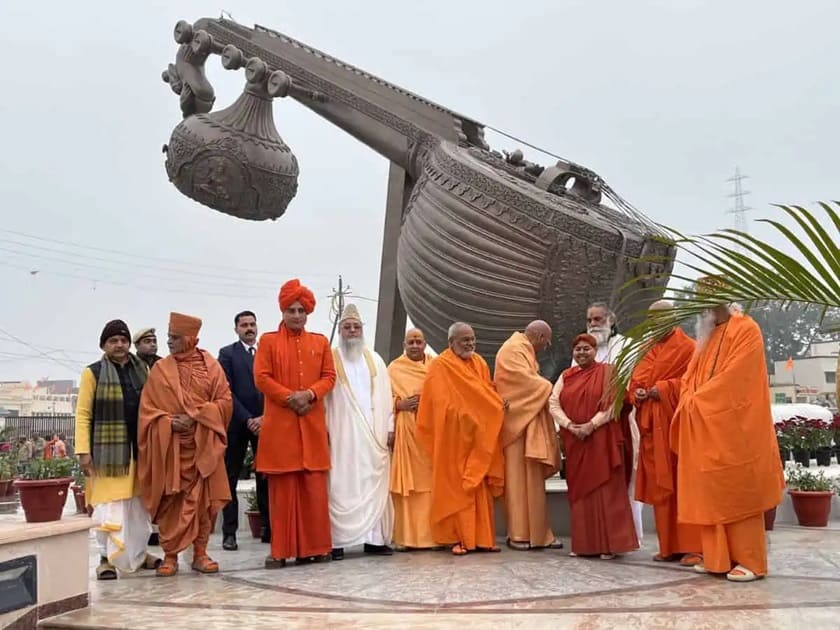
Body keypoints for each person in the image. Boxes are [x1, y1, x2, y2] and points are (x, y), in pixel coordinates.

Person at [673, 276, 784, 582]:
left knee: (739, 491)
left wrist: (698, 401)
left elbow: (738, 379)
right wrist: (688, 400)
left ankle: (751, 560)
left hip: (736, 430)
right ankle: (717, 558)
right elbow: (689, 377)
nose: (700, 307)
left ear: (721, 298)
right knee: (711, 492)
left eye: (703, 299)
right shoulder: (707, 335)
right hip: (704, 428)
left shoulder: (745, 329)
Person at [138, 312, 232, 577]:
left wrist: (198, 417)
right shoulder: (160, 370)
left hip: (203, 446)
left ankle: (200, 553)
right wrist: (167, 422)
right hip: (172, 449)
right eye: (169, 337)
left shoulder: (211, 366)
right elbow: (147, 411)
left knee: (202, 504)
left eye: (175, 338)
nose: (169, 342)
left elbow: (225, 402)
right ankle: (170, 555)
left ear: (192, 339)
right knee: (171, 502)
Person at [254, 279, 336, 568]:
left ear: (308, 312)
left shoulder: (320, 342)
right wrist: (291, 398)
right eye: (292, 310)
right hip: (281, 429)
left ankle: (317, 548)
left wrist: (311, 394)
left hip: (311, 426)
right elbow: (262, 378)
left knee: (313, 490)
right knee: (283, 493)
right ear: (283, 311)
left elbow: (329, 376)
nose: (297, 315)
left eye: (301, 310)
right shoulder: (267, 341)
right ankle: (280, 551)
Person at [75, 319, 159, 580]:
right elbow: (83, 413)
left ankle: (140, 554)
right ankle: (105, 560)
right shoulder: (93, 373)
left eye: (123, 340)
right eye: (113, 341)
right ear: (104, 345)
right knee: (109, 509)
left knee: (138, 508)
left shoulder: (142, 368)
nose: (120, 345)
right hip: (108, 455)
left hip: (141, 450)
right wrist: (83, 451)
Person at [417, 322, 505, 556]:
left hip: (478, 437)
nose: (470, 344)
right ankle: (458, 538)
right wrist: (470, 413)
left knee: (480, 488)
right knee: (457, 489)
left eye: (472, 339)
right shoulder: (440, 366)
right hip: (453, 439)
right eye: (464, 340)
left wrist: (493, 405)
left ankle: (483, 539)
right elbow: (437, 405)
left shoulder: (480, 363)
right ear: (451, 343)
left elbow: (486, 393)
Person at [550, 333, 638, 559]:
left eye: (586, 349)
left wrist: (592, 424)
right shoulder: (566, 376)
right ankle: (585, 545)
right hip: (576, 442)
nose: (581, 353)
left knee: (606, 492)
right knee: (581, 496)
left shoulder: (608, 372)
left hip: (601, 441)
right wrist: (570, 425)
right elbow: (553, 403)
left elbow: (616, 402)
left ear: (595, 351)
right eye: (577, 349)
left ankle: (609, 546)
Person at [630, 300, 701, 565]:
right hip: (652, 428)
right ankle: (668, 545)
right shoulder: (646, 350)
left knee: (684, 486)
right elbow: (635, 381)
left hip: (678, 428)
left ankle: (693, 546)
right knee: (662, 489)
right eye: (652, 319)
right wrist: (636, 392)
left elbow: (694, 383)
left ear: (674, 318)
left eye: (661, 317)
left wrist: (665, 388)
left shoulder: (689, 347)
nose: (656, 323)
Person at [326, 304, 395, 559]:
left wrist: (389, 427)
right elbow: (323, 401)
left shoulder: (375, 358)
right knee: (339, 484)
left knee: (372, 482)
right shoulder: (330, 359)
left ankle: (375, 540)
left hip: (372, 435)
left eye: (356, 326)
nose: (352, 331)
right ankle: (338, 543)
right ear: (340, 330)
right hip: (341, 434)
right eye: (347, 327)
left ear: (362, 329)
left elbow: (387, 396)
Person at [575, 302, 644, 544]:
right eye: (590, 319)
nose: (594, 324)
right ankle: (599, 536)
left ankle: (628, 535)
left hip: (622, 423)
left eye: (598, 319)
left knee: (625, 480)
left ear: (611, 321)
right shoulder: (582, 350)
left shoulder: (627, 347)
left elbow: (631, 384)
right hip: (590, 431)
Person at [494, 321, 562, 550]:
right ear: (540, 336)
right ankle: (519, 534)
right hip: (516, 427)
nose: (547, 346)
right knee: (516, 482)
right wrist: (550, 388)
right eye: (547, 341)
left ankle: (540, 534)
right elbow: (516, 382)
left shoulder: (522, 348)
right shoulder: (512, 349)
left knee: (532, 483)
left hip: (529, 423)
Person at [218, 310, 269, 550]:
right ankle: (230, 533)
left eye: (252, 324)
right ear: (236, 329)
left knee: (265, 475)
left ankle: (269, 526)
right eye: (244, 325)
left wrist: (264, 418)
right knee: (231, 476)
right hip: (237, 424)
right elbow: (226, 390)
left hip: (265, 424)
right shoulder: (227, 354)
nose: (249, 328)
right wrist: (248, 418)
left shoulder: (266, 352)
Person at [388, 328, 436, 550]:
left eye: (418, 342)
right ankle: (405, 538)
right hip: (406, 431)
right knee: (408, 487)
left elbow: (445, 394)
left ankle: (432, 537)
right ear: (404, 346)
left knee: (430, 486)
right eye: (410, 343)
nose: (415, 346)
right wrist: (399, 404)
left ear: (425, 344)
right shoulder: (394, 369)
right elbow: (380, 400)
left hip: (431, 435)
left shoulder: (435, 367)